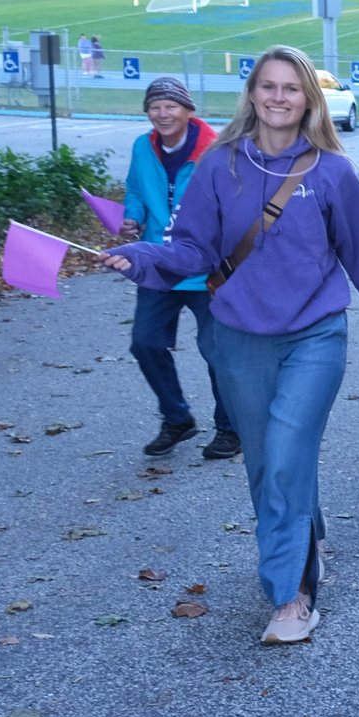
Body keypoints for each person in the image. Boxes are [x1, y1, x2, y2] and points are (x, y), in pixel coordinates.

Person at [100, 45, 359, 646]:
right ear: (252, 94)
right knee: (268, 462)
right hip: (239, 338)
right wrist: (142, 257)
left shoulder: (332, 171)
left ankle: (291, 593)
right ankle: (306, 532)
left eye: (291, 87)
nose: (278, 97)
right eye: (268, 86)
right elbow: (193, 248)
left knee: (287, 453)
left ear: (308, 98)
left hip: (315, 334)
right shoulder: (221, 164)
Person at [121, 77, 239, 460]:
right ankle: (177, 419)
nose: (162, 114)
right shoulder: (143, 147)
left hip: (206, 268)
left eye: (170, 106)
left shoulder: (216, 149)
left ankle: (230, 428)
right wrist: (132, 219)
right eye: (154, 107)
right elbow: (135, 189)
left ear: (188, 110)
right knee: (145, 342)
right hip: (159, 264)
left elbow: (234, 204)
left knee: (217, 350)